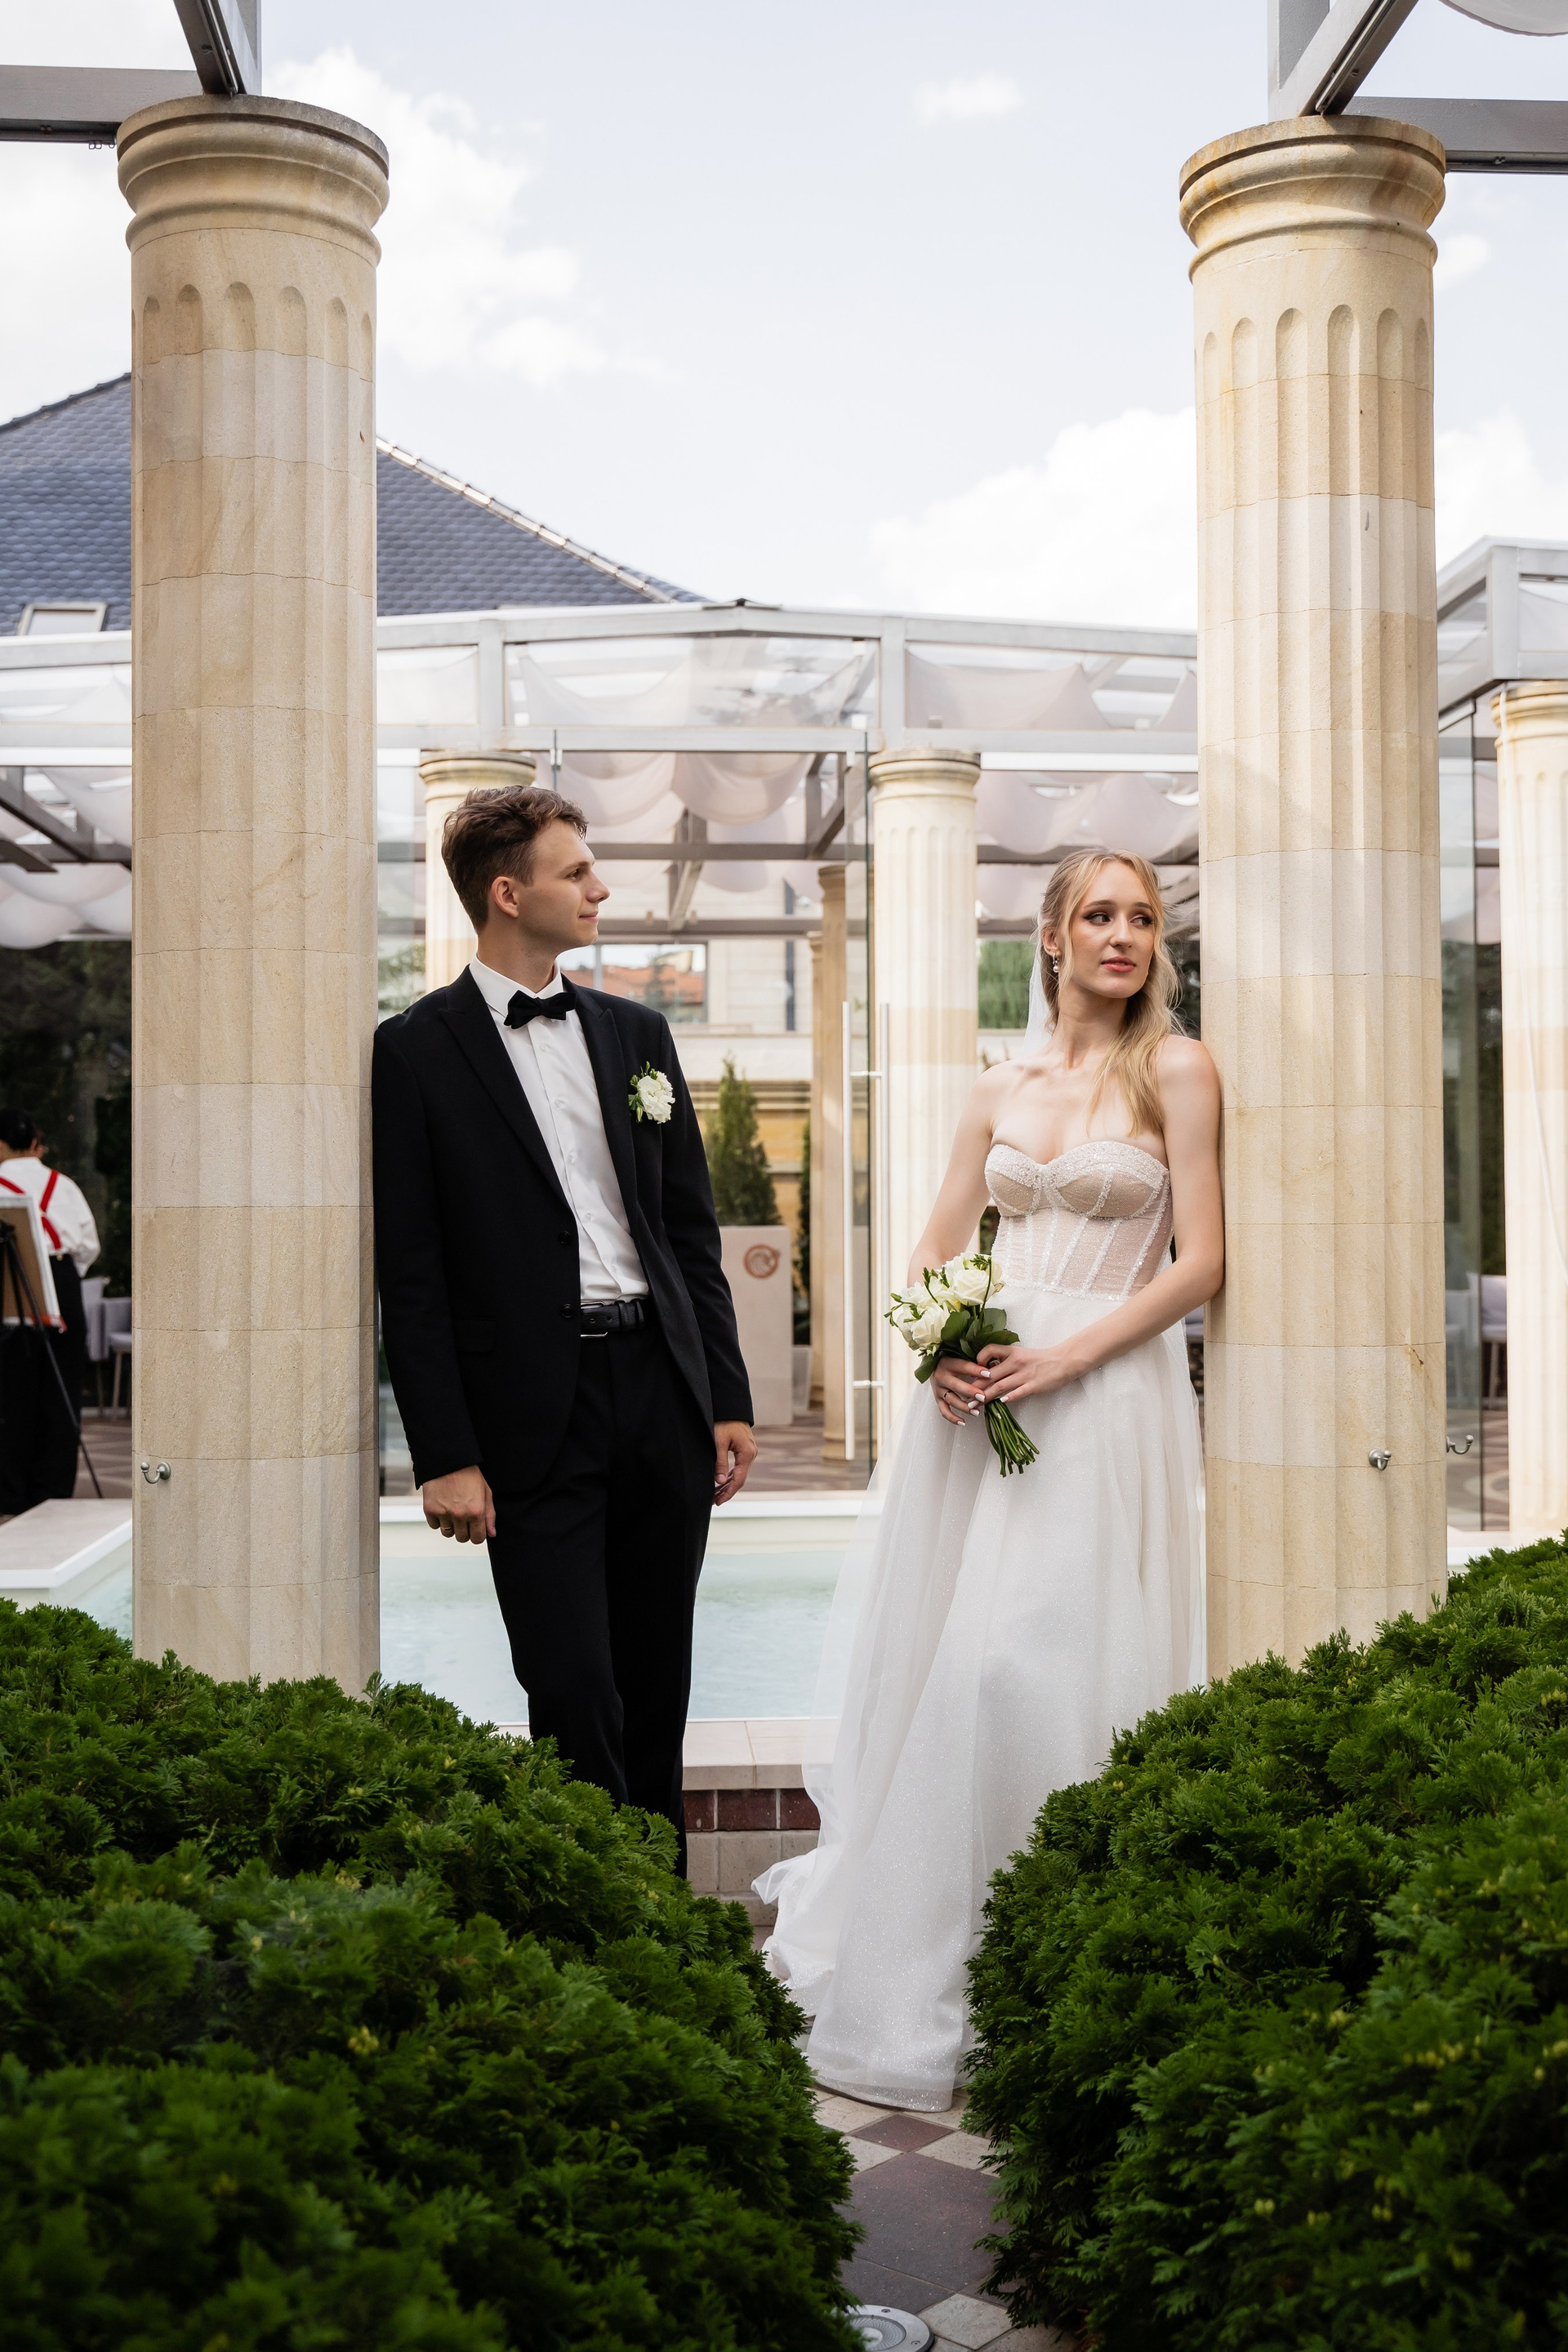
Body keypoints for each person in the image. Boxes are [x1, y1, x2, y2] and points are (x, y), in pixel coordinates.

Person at [759, 849, 1223, 2112]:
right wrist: (943, 1352)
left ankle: (1048, 1949)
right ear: (1052, 937)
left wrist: (1067, 1357)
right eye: (1100, 915)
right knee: (946, 1657)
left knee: (1028, 1663)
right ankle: (934, 1938)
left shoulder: (1178, 1069)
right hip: (981, 1406)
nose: (1124, 935)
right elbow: (933, 1246)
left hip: (1103, 1396)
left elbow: (1199, 1262)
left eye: (1143, 918)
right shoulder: (995, 1087)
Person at [372, 785, 755, 1865]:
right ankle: (597, 1913)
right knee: (573, 1684)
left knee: (657, 1680)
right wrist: (444, 1453)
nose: (600, 887)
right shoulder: (413, 1050)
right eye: (576, 870)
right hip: (530, 1413)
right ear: (509, 893)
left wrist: (723, 1395)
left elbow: (689, 1233)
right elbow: (412, 1271)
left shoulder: (638, 1033)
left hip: (661, 1390)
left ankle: (661, 1920)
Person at [0, 1107, 101, 1512]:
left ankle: (11, 1492)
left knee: (12, 1393)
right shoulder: (64, 1185)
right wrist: (62, 1273)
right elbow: (89, 1246)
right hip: (63, 1284)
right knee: (61, 1391)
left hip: (12, 1282)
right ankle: (54, 1491)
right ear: (34, 1143)